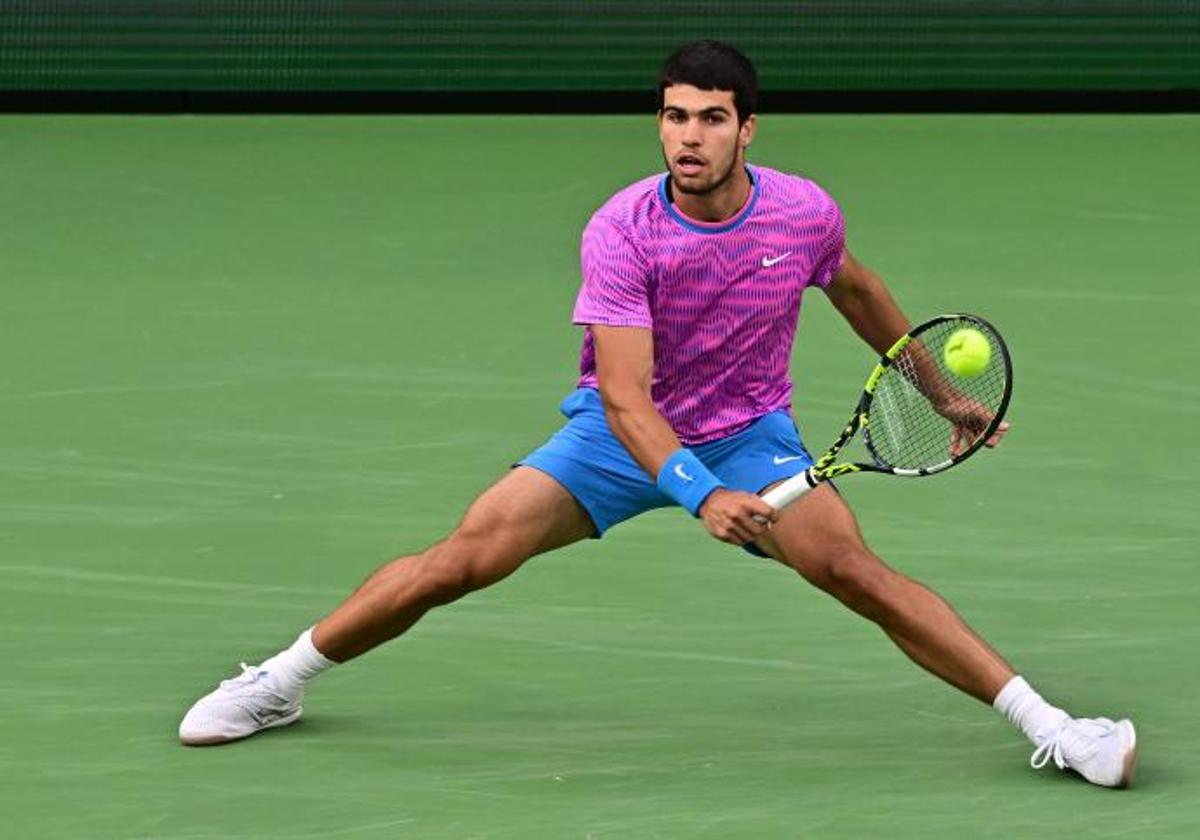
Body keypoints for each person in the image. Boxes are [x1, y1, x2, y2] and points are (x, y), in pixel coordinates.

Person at [179, 40, 1137, 788]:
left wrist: (940, 393)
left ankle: (1056, 730)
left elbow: (853, 288)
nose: (687, 137)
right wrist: (697, 494)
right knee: (461, 561)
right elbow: (628, 398)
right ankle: (277, 683)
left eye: (710, 119)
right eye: (674, 116)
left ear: (748, 129)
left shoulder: (801, 214)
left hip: (753, 436)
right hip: (618, 437)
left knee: (856, 573)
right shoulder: (624, 230)